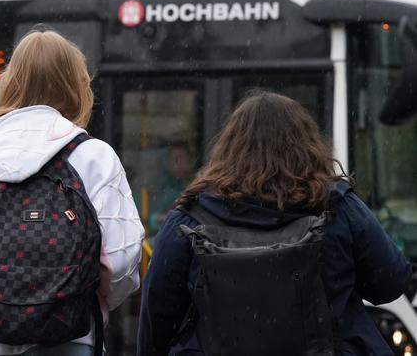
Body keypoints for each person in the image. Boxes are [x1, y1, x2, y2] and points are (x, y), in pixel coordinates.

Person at [0, 29, 144, 356]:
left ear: (11, 81)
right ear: (76, 84)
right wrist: (72, 298)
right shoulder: (94, 156)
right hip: (69, 342)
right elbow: (122, 259)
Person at [137, 91, 412, 355]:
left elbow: (156, 322)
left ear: (228, 149)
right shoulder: (338, 207)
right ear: (307, 144)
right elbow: (391, 282)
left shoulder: (188, 219)